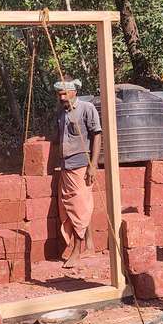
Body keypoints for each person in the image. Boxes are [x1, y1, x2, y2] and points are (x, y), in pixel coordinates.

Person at [54, 76, 102, 268]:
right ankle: (89, 245)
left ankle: (77, 250)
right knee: (73, 207)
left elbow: (97, 135)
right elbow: (58, 138)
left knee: (79, 208)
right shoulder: (61, 112)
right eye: (59, 94)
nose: (62, 97)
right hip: (66, 165)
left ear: (75, 91)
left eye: (65, 93)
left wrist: (93, 164)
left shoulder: (86, 108)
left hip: (81, 165)